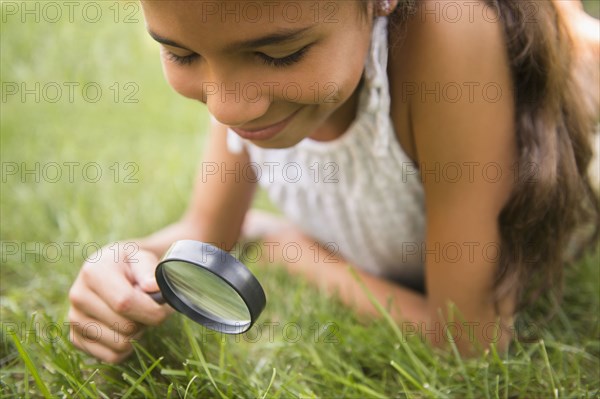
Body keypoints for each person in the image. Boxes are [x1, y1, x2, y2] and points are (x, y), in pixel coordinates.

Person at [68, 0, 599, 363]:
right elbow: (207, 240)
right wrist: (122, 262)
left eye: (280, 54)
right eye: (182, 53)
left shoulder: (449, 31)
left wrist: (290, 249)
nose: (227, 104)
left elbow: (469, 338)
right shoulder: (234, 43)